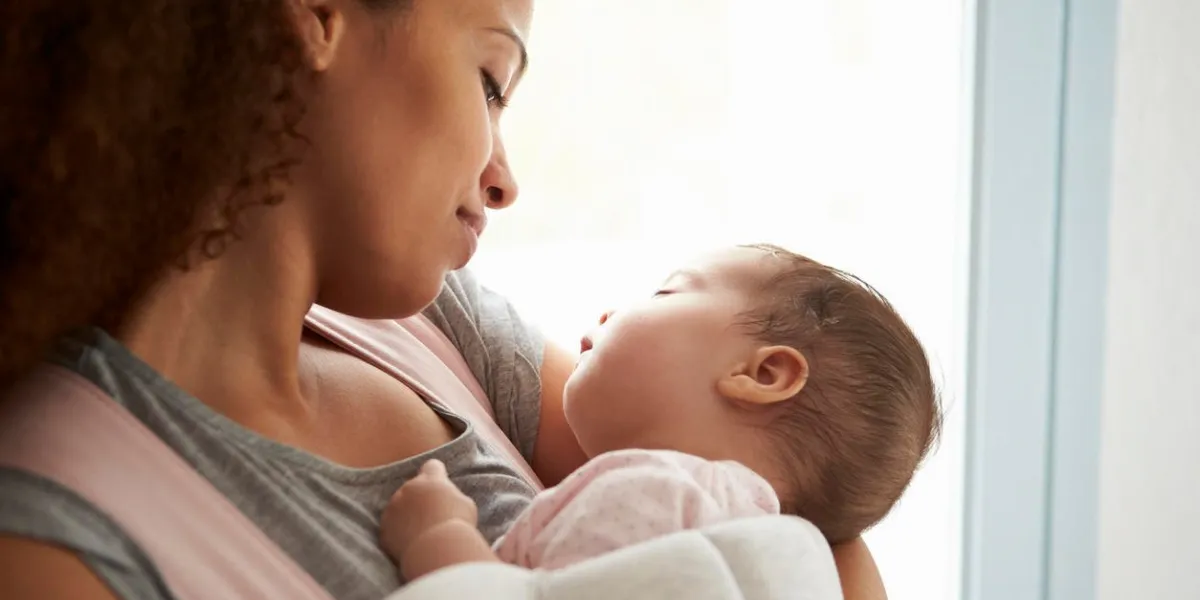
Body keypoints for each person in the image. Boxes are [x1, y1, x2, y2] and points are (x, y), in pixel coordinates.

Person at [0, 1, 890, 599]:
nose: (503, 180)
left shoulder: (438, 330)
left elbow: (797, 491)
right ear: (316, 16)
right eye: (491, 82)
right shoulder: (56, 533)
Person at [382, 245, 940, 581]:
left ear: (762, 375)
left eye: (666, 293)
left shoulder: (659, 502)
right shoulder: (772, 550)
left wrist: (439, 537)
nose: (612, 309)